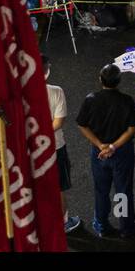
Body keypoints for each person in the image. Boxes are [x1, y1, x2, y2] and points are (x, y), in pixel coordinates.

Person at [75, 64, 135, 238]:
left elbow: (82, 124)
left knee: (101, 190)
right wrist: (113, 146)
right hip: (122, 153)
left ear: (100, 79)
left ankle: (102, 225)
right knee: (122, 191)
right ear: (119, 81)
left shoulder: (91, 99)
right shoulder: (126, 100)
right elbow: (132, 128)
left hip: (99, 154)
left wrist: (100, 145)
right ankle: (125, 227)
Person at [43, 55, 81, 234]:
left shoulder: (21, 93)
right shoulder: (56, 91)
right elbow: (59, 121)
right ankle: (63, 222)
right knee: (59, 187)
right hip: (55, 147)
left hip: (31, 149)